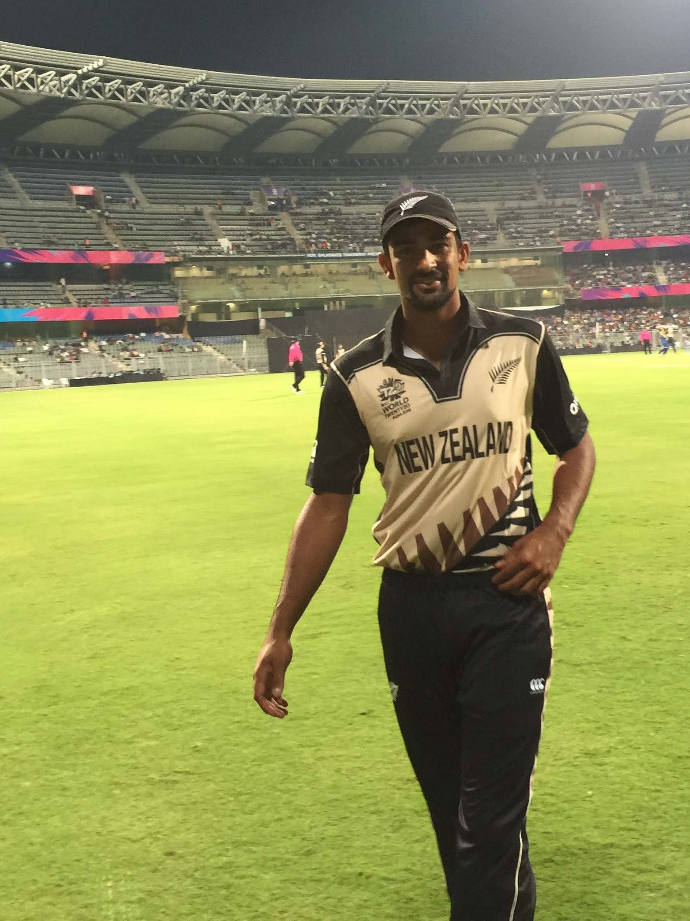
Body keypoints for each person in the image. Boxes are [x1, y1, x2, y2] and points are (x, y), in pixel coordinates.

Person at [253, 190, 596, 921]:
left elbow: (575, 448)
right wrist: (281, 630)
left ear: (462, 254)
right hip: (411, 610)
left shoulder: (523, 342)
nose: (426, 261)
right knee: (455, 814)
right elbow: (328, 503)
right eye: (406, 250)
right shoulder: (355, 375)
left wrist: (554, 531)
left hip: (505, 601)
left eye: (438, 245)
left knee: (489, 820)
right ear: (387, 266)